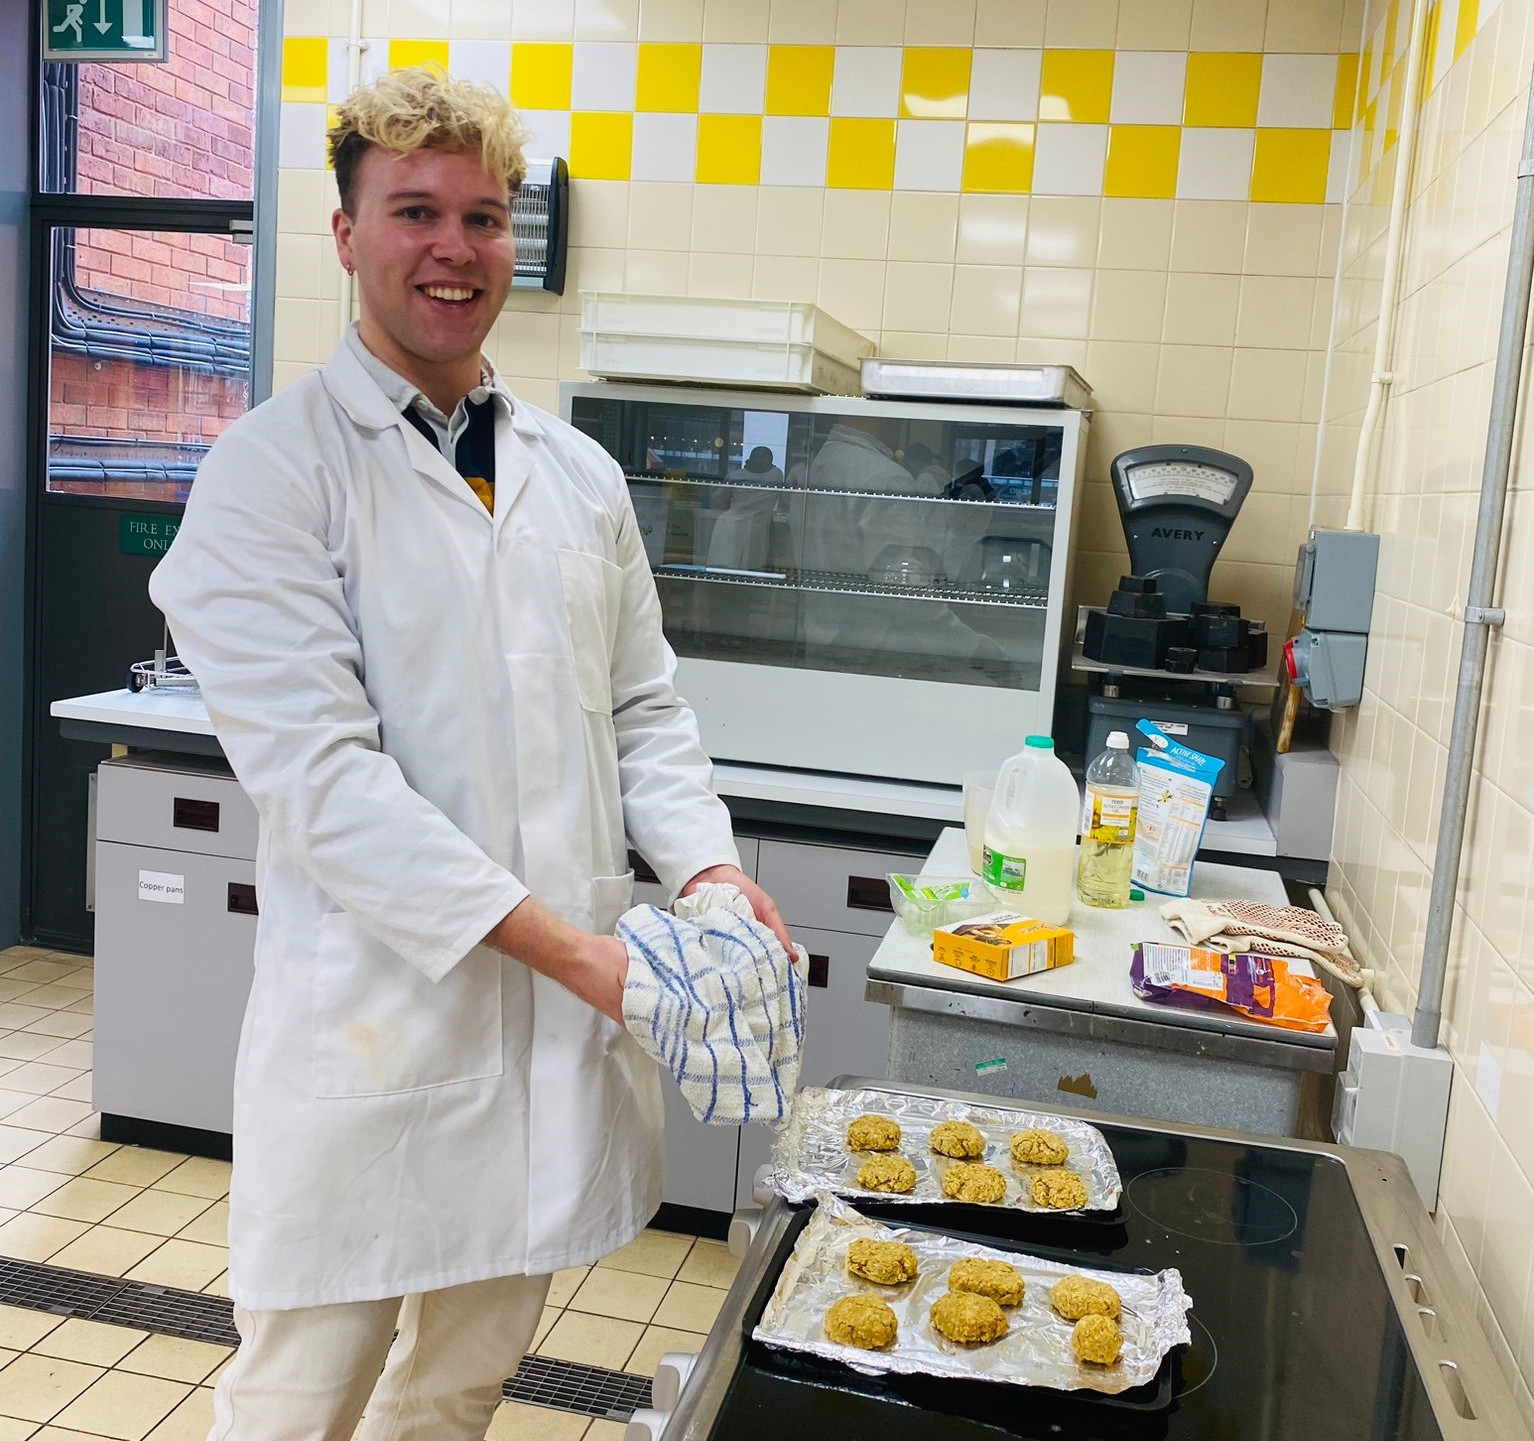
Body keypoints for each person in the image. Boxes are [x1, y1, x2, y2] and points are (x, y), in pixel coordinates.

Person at [149, 67, 791, 1441]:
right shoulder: (274, 471)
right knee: (292, 1398)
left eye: (485, 217)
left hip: (551, 1040)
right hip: (376, 1037)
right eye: (415, 212)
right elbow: (327, 788)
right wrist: (585, 958)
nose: (454, 249)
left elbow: (644, 710)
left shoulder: (577, 477)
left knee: (459, 1385)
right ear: (344, 234)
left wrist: (709, 873)